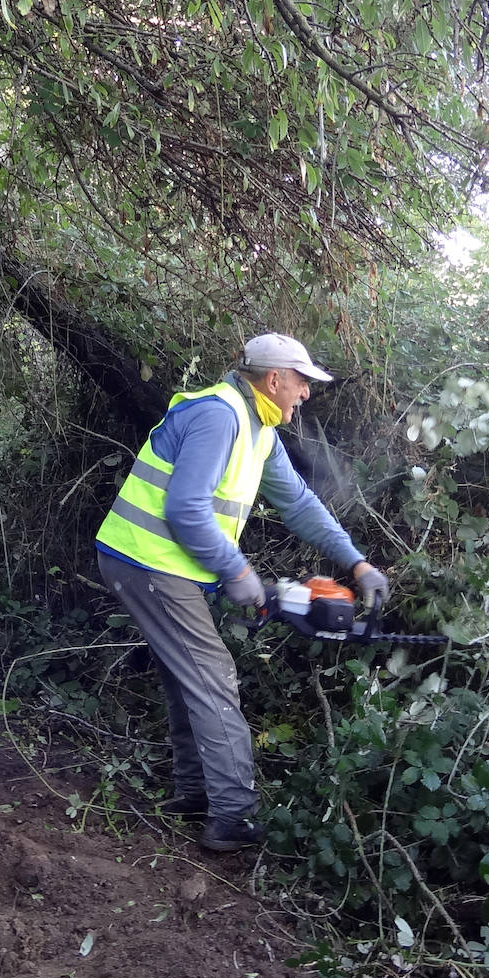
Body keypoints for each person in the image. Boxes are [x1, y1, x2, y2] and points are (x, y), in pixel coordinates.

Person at [95, 333, 390, 852]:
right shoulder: (220, 416)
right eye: (301, 382)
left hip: (159, 564)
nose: (305, 393)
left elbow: (297, 503)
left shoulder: (259, 430)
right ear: (274, 379)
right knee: (214, 679)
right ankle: (232, 817)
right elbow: (185, 509)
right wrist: (237, 573)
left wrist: (356, 561)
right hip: (146, 561)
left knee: (189, 674)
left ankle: (194, 793)